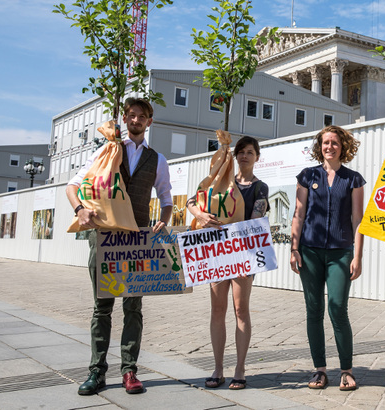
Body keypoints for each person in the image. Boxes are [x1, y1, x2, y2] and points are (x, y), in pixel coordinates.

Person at [67, 98, 173, 396]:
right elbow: (73, 186)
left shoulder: (158, 160)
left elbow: (166, 199)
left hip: (136, 240)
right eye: (131, 115)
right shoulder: (107, 150)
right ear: (124, 119)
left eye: (142, 116)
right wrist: (80, 210)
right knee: (102, 307)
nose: (136, 120)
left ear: (149, 122)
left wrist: (163, 222)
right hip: (105, 237)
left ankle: (129, 371)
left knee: (133, 308)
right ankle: (96, 371)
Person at [186, 136, 269, 390]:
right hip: (216, 252)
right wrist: (200, 215)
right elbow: (192, 202)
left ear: (257, 157)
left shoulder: (260, 188)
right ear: (235, 156)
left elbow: (256, 218)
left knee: (241, 310)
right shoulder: (220, 183)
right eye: (241, 152)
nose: (244, 156)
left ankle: (240, 369)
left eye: (250, 152)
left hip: (243, 253)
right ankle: (218, 367)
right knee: (217, 310)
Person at [290, 125, 365, 391]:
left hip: (341, 252)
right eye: (325, 143)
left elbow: (358, 220)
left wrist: (357, 255)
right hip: (309, 251)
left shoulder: (353, 179)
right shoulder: (307, 176)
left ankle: (346, 369)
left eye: (334, 142)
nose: (329, 147)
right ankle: (320, 370)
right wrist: (294, 248)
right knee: (314, 311)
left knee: (337, 309)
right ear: (319, 146)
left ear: (342, 146)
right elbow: (299, 214)